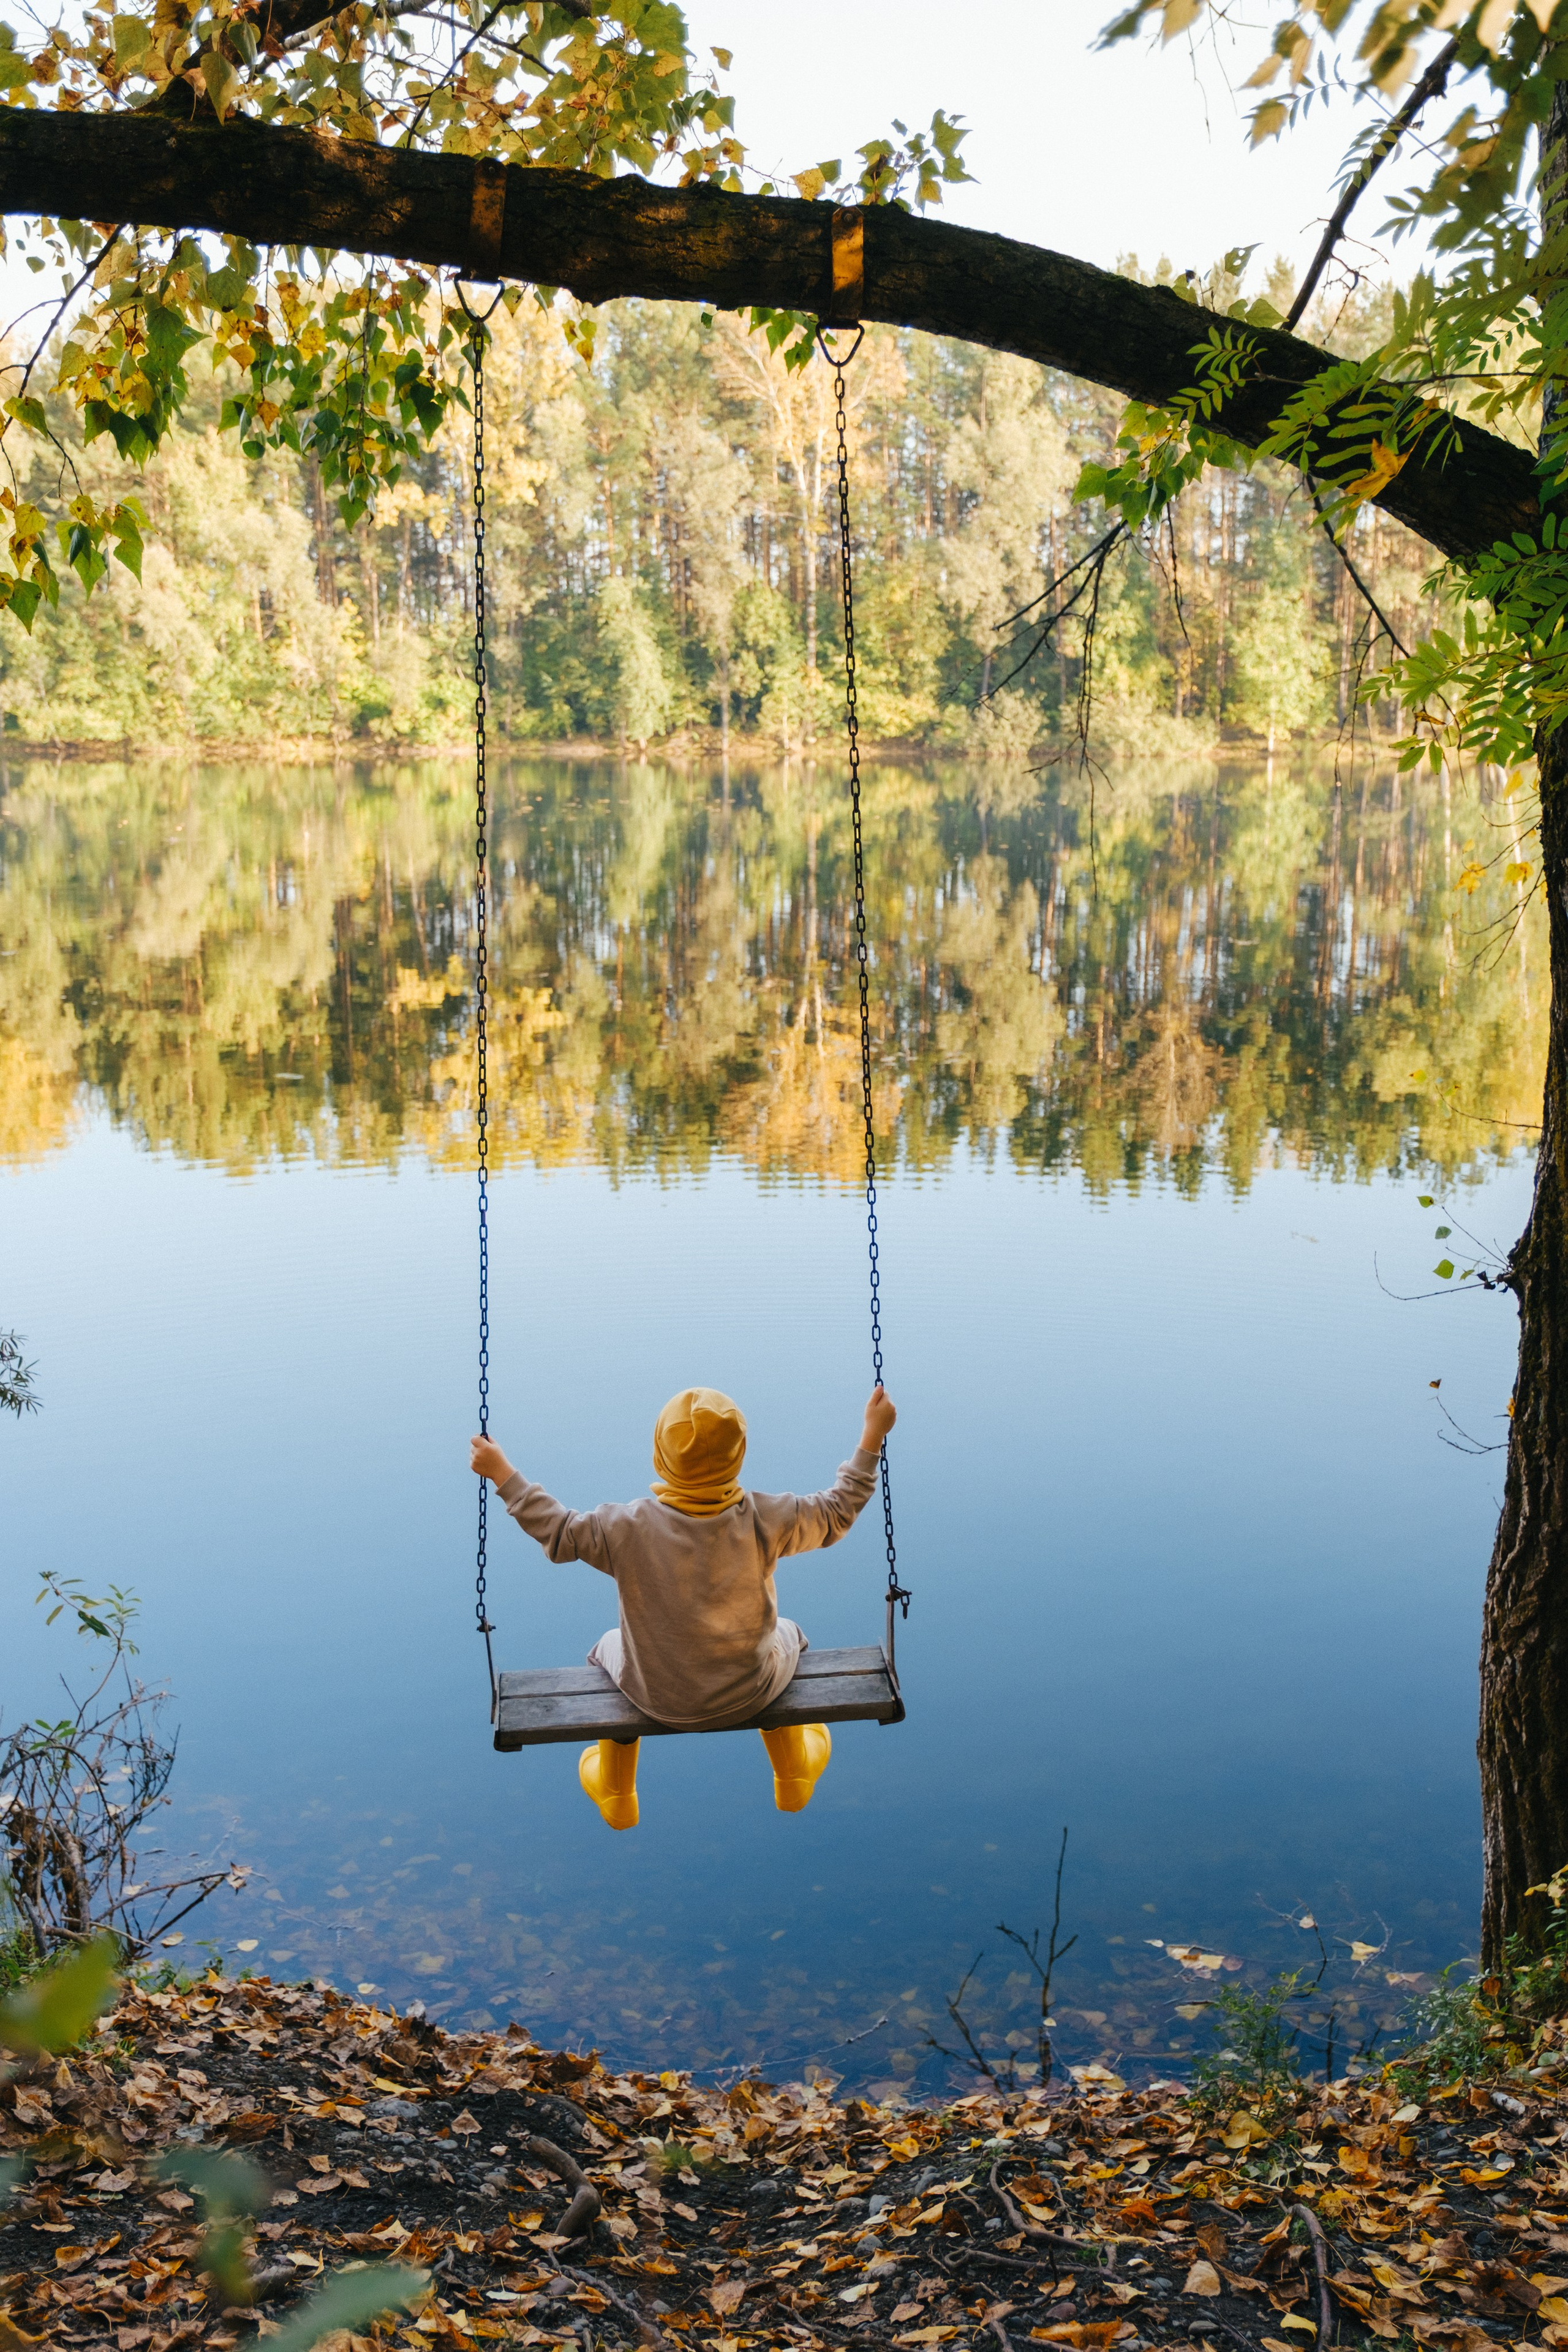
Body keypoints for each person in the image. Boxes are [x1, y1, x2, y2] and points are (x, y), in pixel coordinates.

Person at [469, 1382, 897, 1830]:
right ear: (741, 1453)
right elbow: (838, 1511)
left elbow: (558, 1531)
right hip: (750, 1690)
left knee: (608, 1646)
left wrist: (503, 1474)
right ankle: (794, 1775)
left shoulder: (624, 1528)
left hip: (656, 1695)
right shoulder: (770, 1518)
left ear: (661, 1456)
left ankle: (617, 1793)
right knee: (788, 1632)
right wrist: (872, 1435)